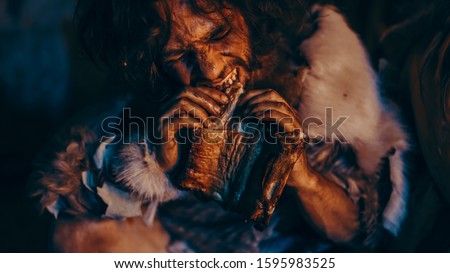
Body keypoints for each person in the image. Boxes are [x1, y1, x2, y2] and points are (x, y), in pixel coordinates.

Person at [30, 0, 410, 252]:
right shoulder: (144, 96)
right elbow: (67, 199)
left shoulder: (310, 76)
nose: (211, 70)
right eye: (180, 55)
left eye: (218, 34)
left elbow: (358, 231)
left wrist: (303, 175)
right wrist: (153, 164)